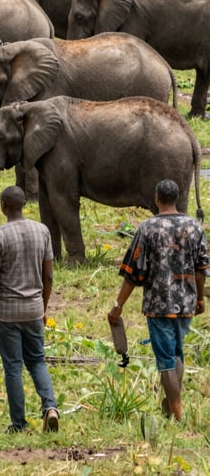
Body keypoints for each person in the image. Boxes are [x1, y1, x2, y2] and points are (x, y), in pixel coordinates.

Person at [107, 179, 208, 422]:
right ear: (176, 198)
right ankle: (170, 405)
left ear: (156, 198)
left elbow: (132, 272)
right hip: (186, 302)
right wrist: (200, 298)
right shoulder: (195, 226)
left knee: (165, 360)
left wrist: (118, 305)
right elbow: (202, 268)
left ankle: (177, 413)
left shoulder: (147, 228)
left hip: (158, 304)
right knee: (177, 354)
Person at [0, 186, 59, 434]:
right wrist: (43, 307)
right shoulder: (42, 231)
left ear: (3, 206)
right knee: (37, 361)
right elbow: (49, 276)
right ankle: (50, 407)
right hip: (34, 308)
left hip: (6, 313)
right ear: (24, 205)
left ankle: (19, 423)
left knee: (13, 367)